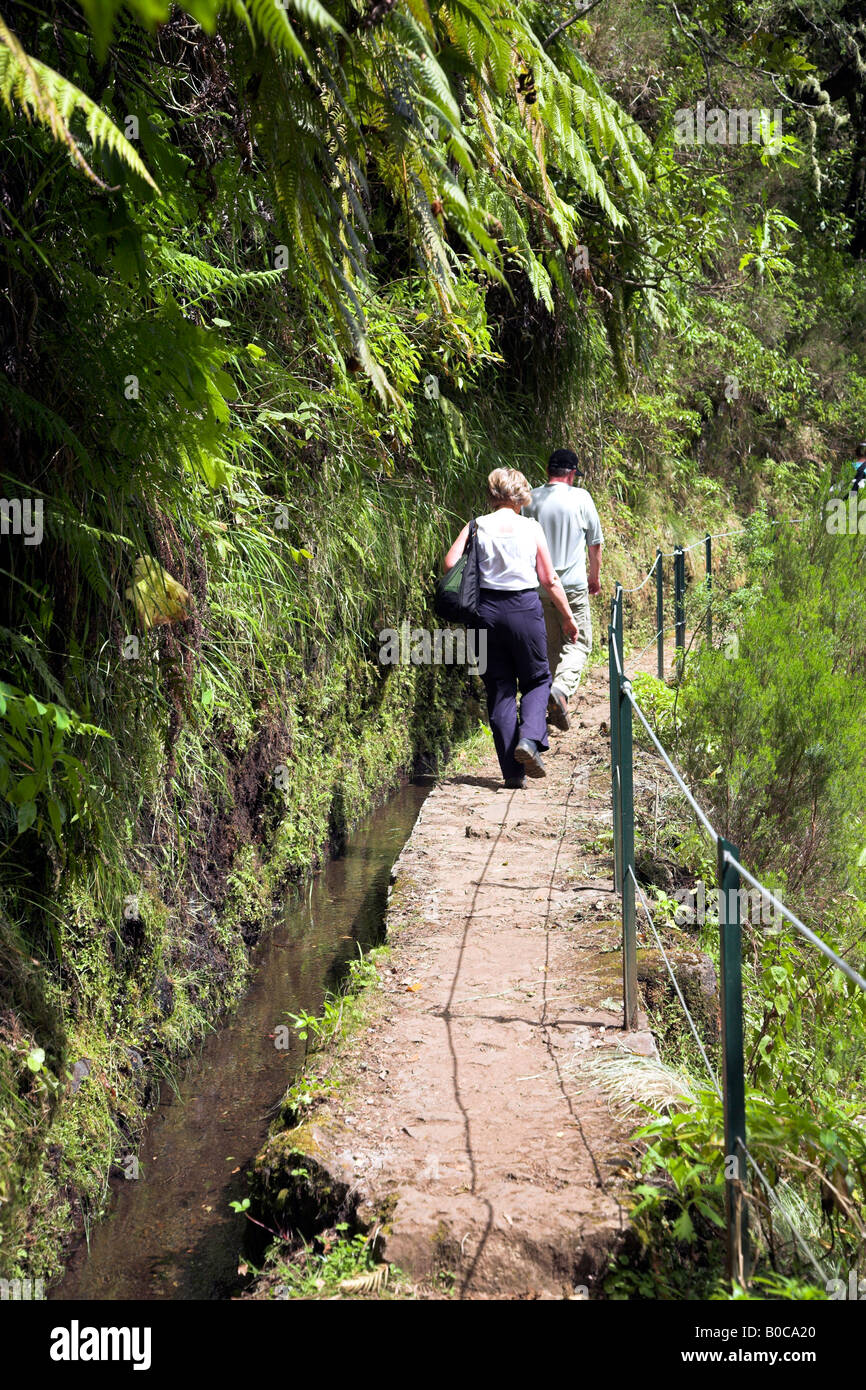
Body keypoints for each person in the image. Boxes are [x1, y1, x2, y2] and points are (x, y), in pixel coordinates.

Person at [443, 468, 579, 787]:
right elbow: (549, 578)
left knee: (500, 689)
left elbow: (450, 562)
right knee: (537, 679)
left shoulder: (476, 525)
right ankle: (530, 741)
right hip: (523, 609)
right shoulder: (530, 527)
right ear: (521, 495)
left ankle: (513, 775)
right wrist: (567, 617)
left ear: (492, 493)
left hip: (485, 612)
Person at [524, 449, 603, 732]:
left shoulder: (530, 499)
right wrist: (594, 577)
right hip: (572, 587)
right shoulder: (581, 498)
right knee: (579, 644)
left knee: (551, 650)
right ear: (571, 474)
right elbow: (594, 543)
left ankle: (547, 712)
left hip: (539, 587)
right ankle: (560, 691)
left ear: (548, 471)